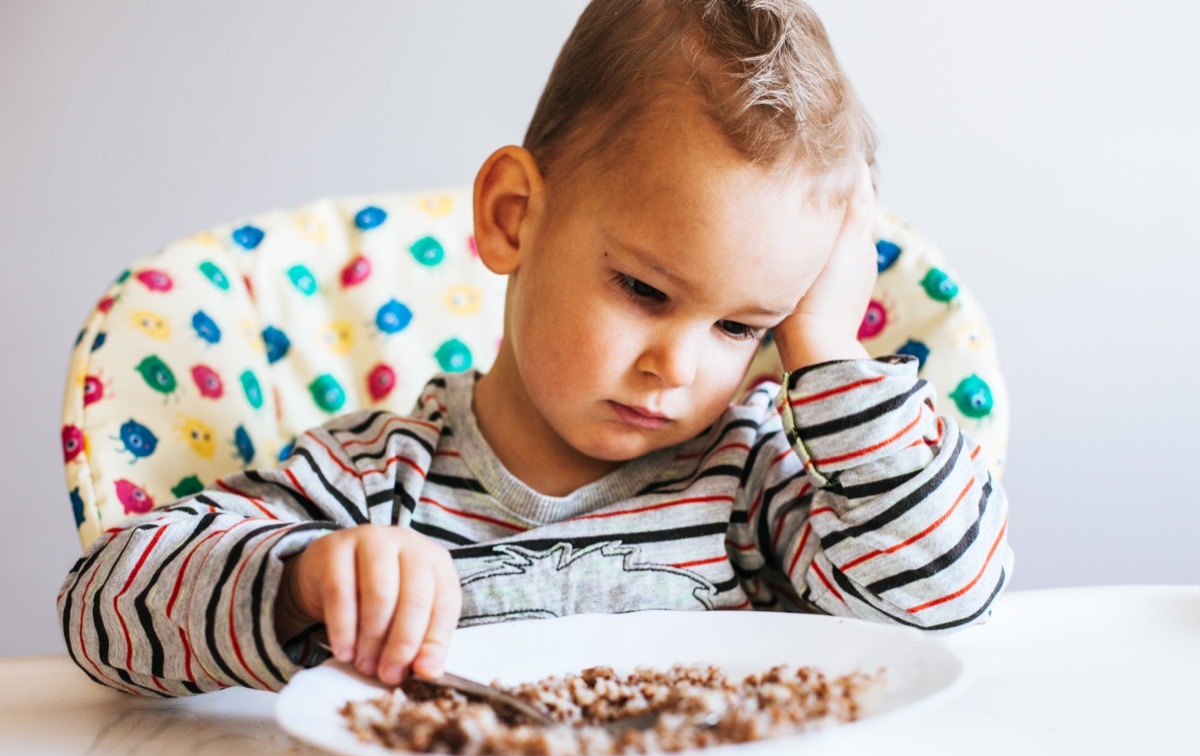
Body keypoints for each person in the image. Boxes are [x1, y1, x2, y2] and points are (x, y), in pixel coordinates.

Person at [58, 0, 1011, 697]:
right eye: (643, 289)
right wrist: (307, 577)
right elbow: (103, 611)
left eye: (741, 326)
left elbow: (944, 601)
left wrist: (825, 352)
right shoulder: (380, 479)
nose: (678, 368)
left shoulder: (753, 477)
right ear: (514, 218)